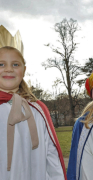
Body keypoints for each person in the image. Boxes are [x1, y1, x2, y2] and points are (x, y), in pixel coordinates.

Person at [0, 25, 67, 180]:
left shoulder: (37, 109)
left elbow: (51, 154)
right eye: (1, 64)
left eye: (15, 64)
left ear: (24, 70)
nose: (9, 69)